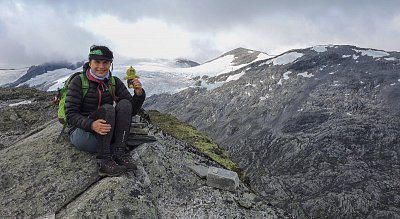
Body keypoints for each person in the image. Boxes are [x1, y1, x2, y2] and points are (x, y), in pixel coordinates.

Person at [65, 45, 145, 177]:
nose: (101, 67)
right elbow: (70, 114)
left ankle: (119, 153)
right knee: (108, 109)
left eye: (105, 62)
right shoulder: (78, 82)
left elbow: (129, 110)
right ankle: (104, 161)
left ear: (110, 64)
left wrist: (138, 94)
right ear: (90, 63)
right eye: (97, 62)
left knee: (124, 103)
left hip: (106, 129)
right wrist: (91, 125)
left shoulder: (114, 82)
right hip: (83, 132)